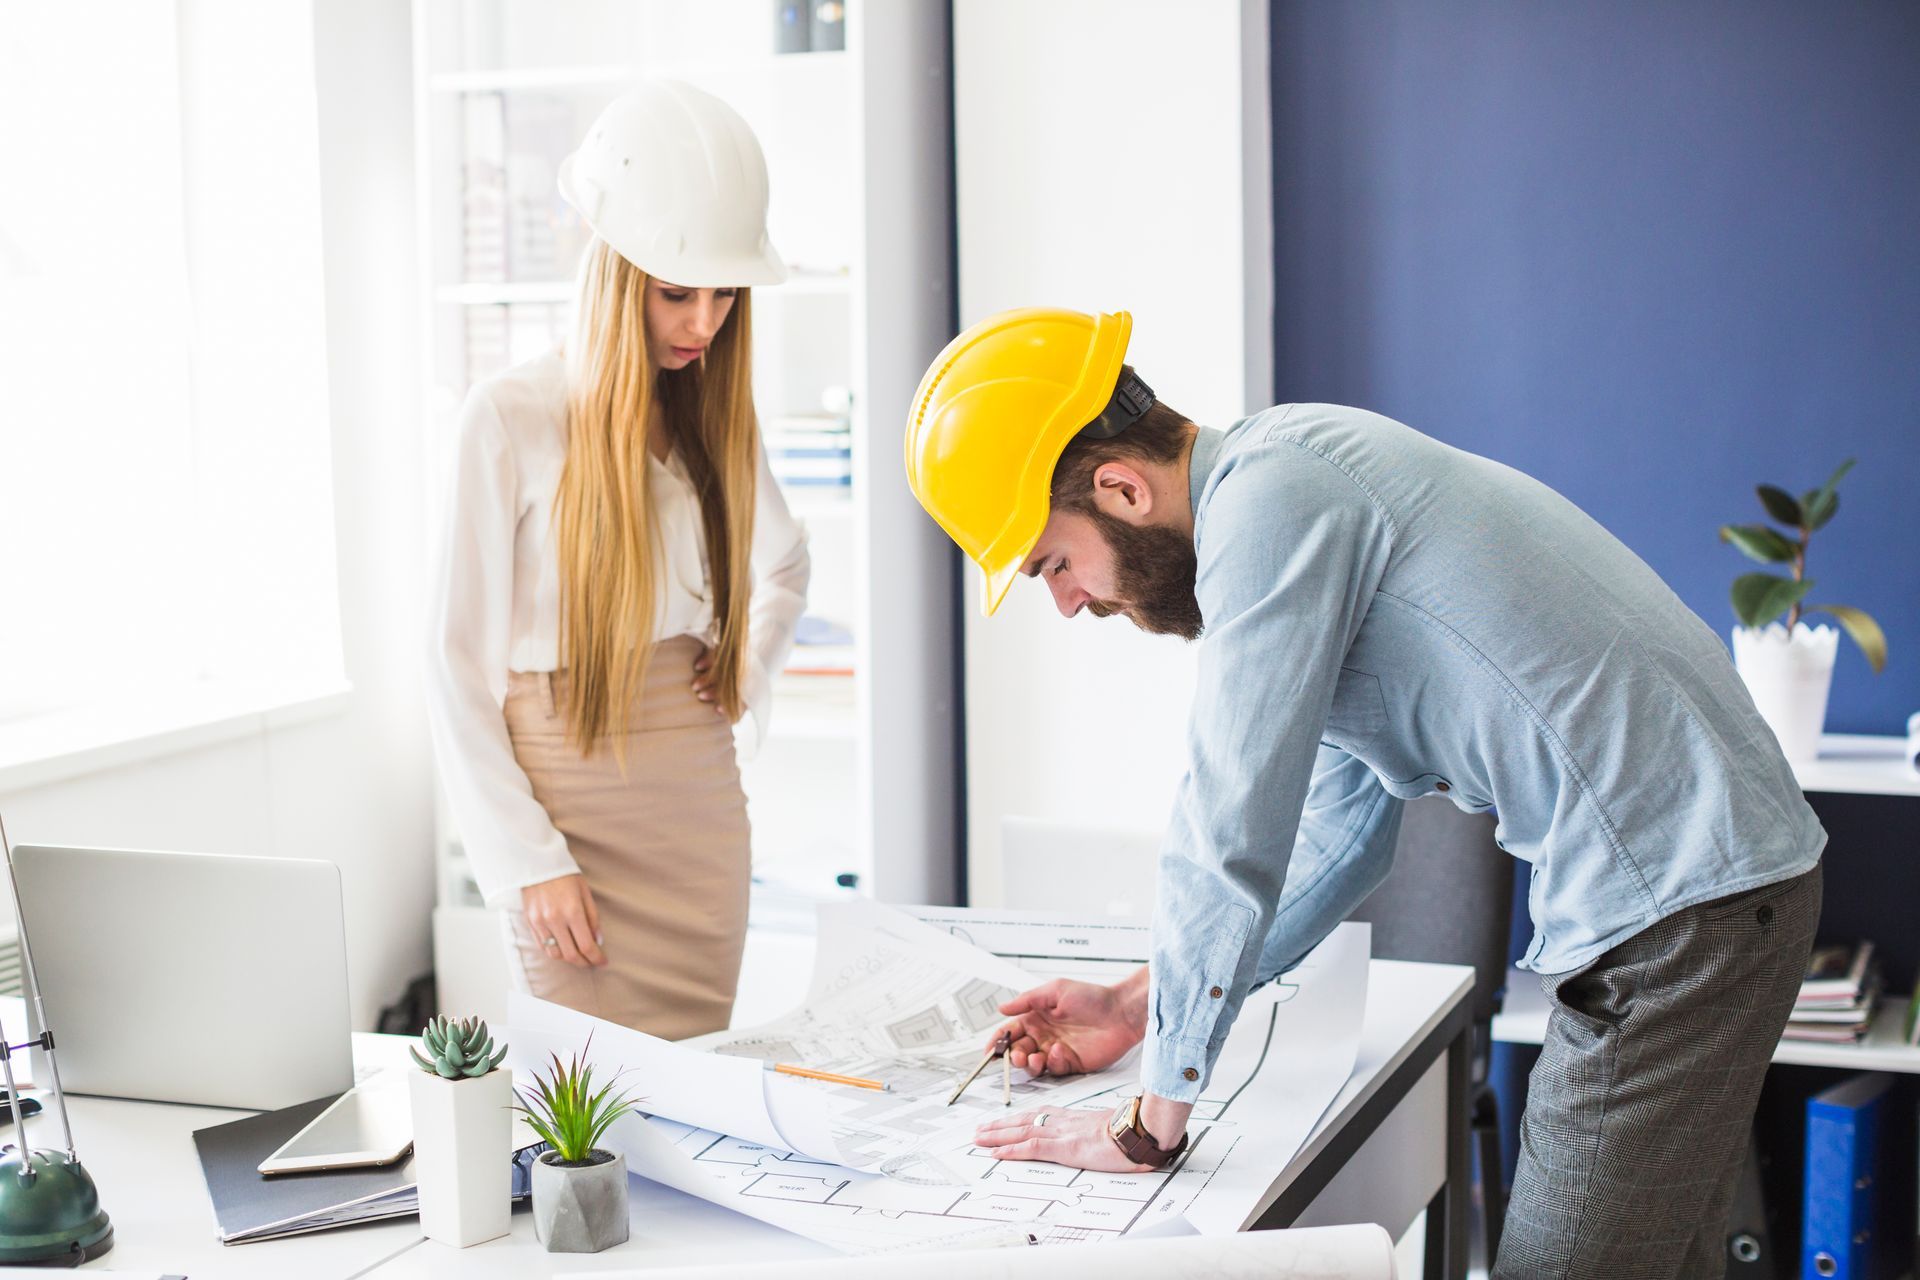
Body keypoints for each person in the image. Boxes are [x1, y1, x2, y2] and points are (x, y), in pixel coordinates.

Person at [903, 307, 1824, 1278]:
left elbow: (1229, 820)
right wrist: (1137, 1004)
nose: (1069, 600)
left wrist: (1151, 1121)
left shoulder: (1270, 505)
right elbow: (1338, 837)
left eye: (1053, 561)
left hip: (1682, 911)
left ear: (1122, 488)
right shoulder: (1295, 481)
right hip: (1715, 894)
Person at [426, 80, 808, 1040]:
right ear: (612, 272)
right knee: (587, 1117)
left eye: (726, 294)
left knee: (690, 1121)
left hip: (698, 808)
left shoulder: (712, 419)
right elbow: (455, 669)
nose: (705, 323)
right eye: (679, 292)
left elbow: (788, 565)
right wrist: (528, 859)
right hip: (566, 807)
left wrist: (746, 664)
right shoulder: (507, 418)